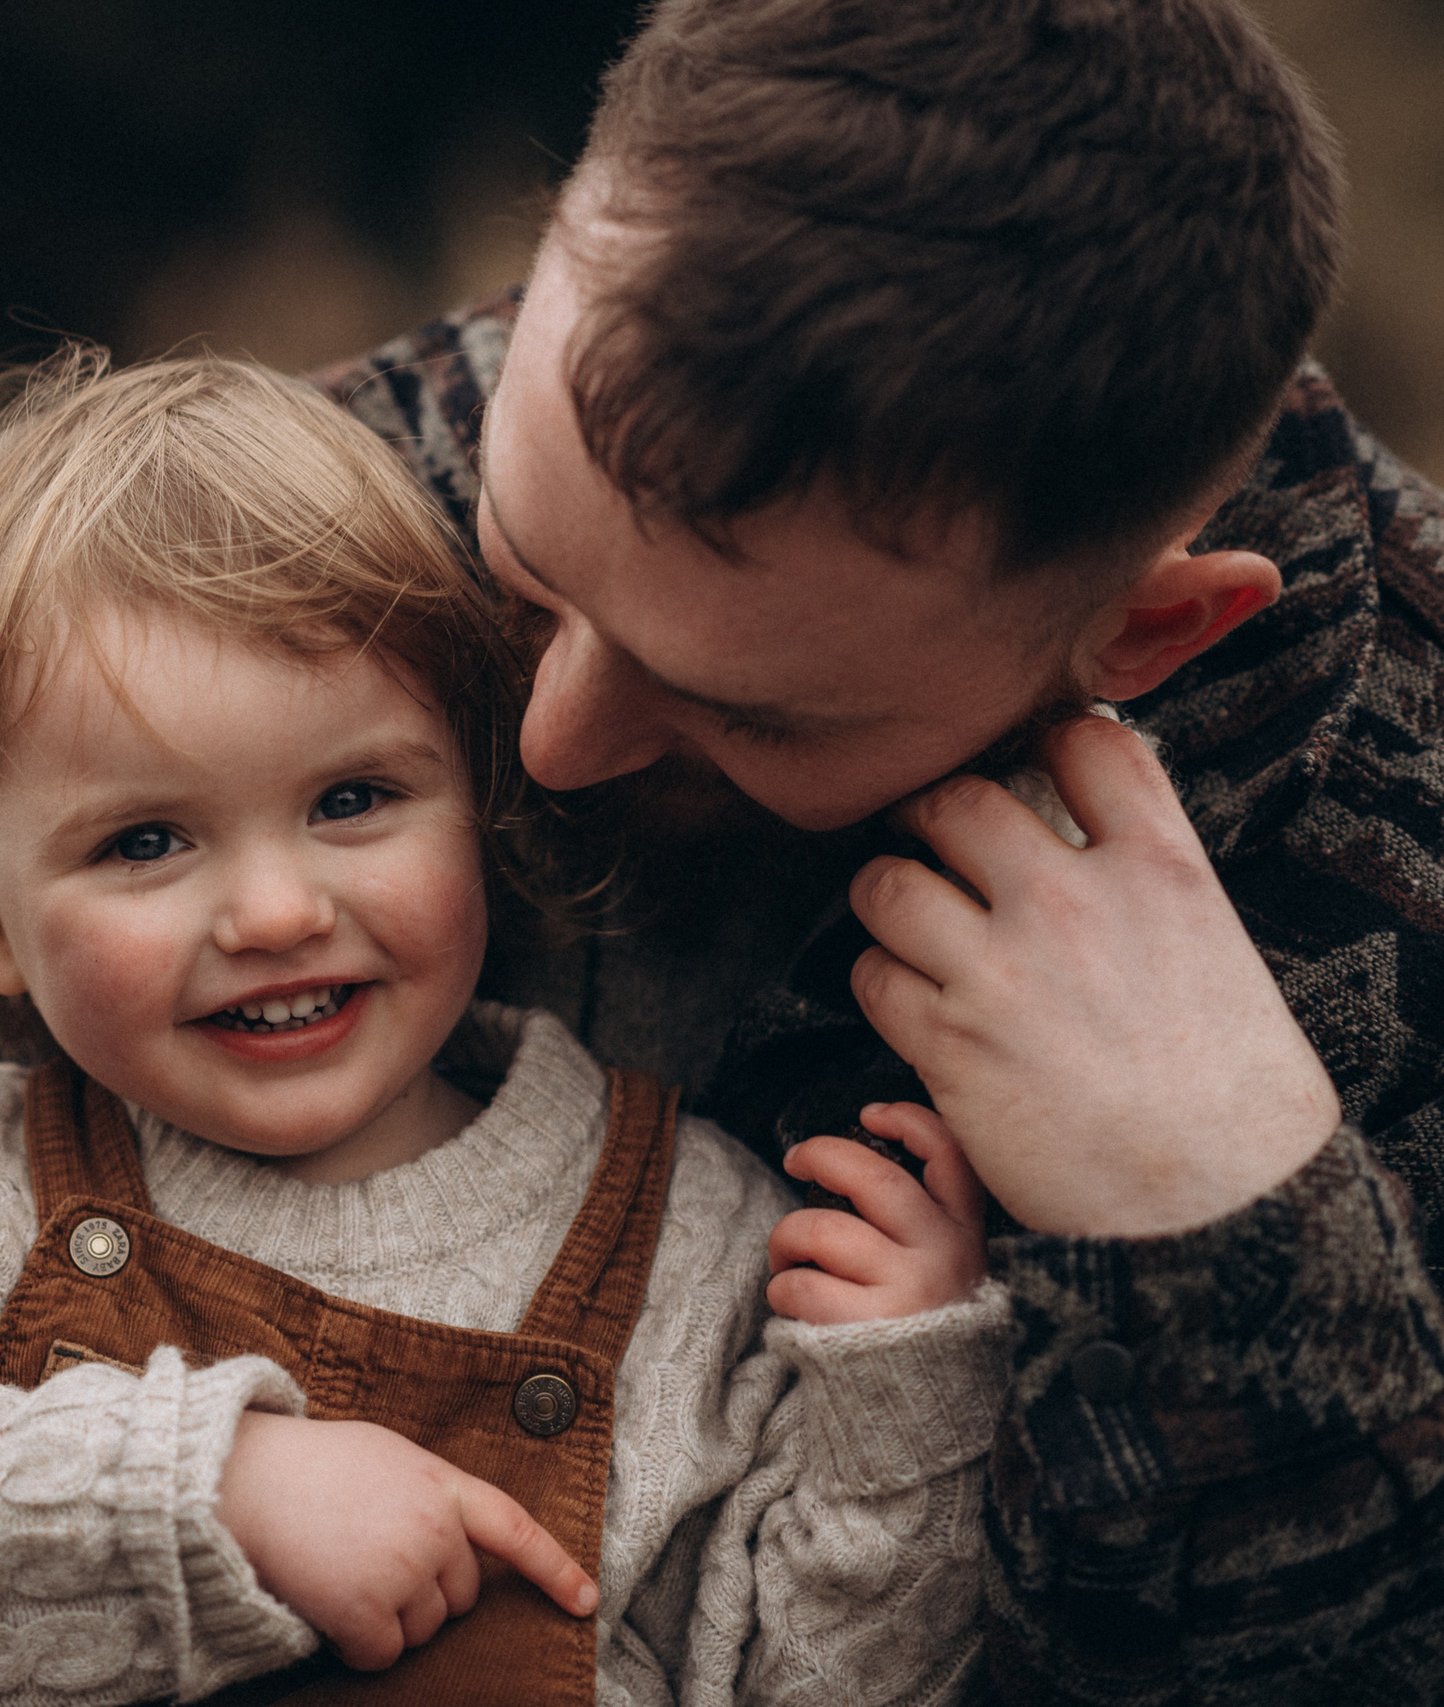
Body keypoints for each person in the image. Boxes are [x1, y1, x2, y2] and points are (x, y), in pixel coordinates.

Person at [302, 0, 1444, 1698]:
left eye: (752, 714)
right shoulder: (302, 504)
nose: (547, 744)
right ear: (561, 244)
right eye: (527, 556)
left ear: (1146, 635)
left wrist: (1240, 1232)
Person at [0, 354, 1017, 1707]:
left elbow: (818, 1684)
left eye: (353, 800)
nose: (271, 913)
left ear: (481, 798)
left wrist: (897, 1409)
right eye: (146, 841)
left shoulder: (692, 1242)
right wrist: (215, 1487)